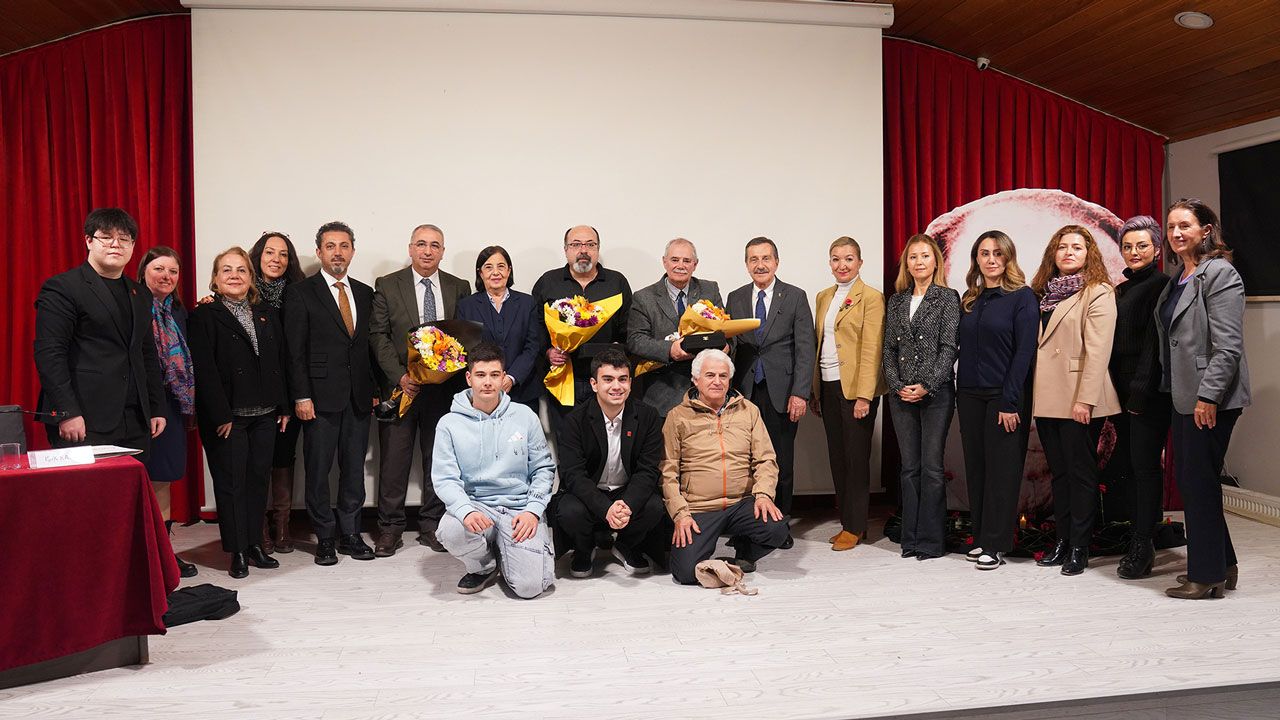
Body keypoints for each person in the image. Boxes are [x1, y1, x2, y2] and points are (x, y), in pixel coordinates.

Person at [1158, 199, 1251, 600]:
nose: (1176, 233)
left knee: (1197, 483)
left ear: (1206, 230)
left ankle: (1206, 574)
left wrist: (1208, 396)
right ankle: (1222, 564)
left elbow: (1228, 346)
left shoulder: (1220, 273)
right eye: (1171, 226)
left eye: (1185, 225)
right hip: (1183, 394)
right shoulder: (1181, 275)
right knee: (1196, 482)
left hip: (1210, 397)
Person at [369, 224, 472, 557]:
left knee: (439, 461)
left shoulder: (459, 287)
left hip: (445, 391)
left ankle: (432, 525)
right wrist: (400, 376)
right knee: (394, 461)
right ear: (410, 248)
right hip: (403, 388)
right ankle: (390, 529)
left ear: (443, 251)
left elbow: (465, 337)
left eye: (435, 245)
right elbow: (379, 336)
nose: (428, 251)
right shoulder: (388, 284)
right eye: (422, 244)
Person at [188, 247, 290, 578]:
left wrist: (283, 405)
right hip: (228, 418)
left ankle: (255, 544)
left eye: (241, 270)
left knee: (258, 481)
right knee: (231, 484)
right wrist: (220, 415)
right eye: (227, 270)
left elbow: (278, 362)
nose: (235, 275)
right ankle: (237, 551)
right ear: (215, 279)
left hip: (265, 413)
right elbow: (204, 370)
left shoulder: (265, 312)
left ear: (251, 277)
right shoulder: (204, 315)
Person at [283, 221, 379, 566]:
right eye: (330, 246)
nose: (338, 253)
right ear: (319, 251)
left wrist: (373, 390)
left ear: (352, 251)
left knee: (353, 468)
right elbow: (294, 351)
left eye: (344, 246)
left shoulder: (365, 293)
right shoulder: (300, 293)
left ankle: (350, 533)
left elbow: (368, 348)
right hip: (318, 398)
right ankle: (324, 537)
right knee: (318, 469)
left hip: (358, 397)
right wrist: (301, 396)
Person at [34, 208, 166, 454]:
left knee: (134, 480)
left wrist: (156, 407)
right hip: (83, 418)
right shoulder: (63, 288)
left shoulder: (141, 294)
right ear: (88, 241)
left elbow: (146, 353)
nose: (116, 244)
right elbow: (50, 354)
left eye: (124, 239)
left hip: (136, 419)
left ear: (132, 245)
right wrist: (67, 412)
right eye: (106, 237)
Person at [432, 342, 556, 598]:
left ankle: (508, 549)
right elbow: (445, 479)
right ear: (469, 378)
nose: (487, 382)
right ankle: (484, 565)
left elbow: (544, 469)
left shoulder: (525, 416)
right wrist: (465, 510)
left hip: (518, 509)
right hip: (477, 506)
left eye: (494, 375)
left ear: (503, 378)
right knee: (450, 530)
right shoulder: (448, 424)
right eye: (480, 375)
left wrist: (533, 511)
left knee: (530, 588)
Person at [1030, 225, 1120, 576]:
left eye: (1077, 247)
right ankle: (1063, 540)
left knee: (1081, 474)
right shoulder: (1043, 294)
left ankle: (1080, 546)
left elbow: (1098, 351)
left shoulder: (1098, 291)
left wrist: (1086, 400)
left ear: (1089, 253)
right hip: (1048, 397)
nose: (1069, 252)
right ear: (1053, 253)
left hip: (1079, 398)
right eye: (1062, 246)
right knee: (1060, 474)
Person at [662, 349, 788, 585]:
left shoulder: (749, 411)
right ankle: (713, 561)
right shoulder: (677, 417)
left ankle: (744, 553)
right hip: (700, 507)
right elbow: (668, 472)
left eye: (723, 376)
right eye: (710, 375)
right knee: (686, 573)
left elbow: (765, 459)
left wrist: (763, 495)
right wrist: (680, 513)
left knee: (777, 530)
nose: (717, 381)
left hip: (741, 502)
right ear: (695, 379)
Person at [955, 230, 1038, 571]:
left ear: (1008, 258)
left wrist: (1010, 401)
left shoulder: (1022, 297)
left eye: (998, 253)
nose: (991, 259)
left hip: (1003, 396)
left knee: (1002, 472)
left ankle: (997, 543)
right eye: (984, 253)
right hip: (969, 394)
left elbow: (1024, 353)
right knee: (976, 468)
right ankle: (981, 537)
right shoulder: (969, 299)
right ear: (976, 259)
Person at [550, 347, 666, 578]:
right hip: (590, 492)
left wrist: (627, 504)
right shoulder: (575, 420)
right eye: (608, 379)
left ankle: (626, 545)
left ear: (630, 383)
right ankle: (584, 550)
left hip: (626, 491)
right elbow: (573, 474)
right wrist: (606, 508)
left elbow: (647, 470)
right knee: (569, 510)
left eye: (623, 379)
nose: (616, 386)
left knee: (654, 506)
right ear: (594, 384)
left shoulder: (648, 416)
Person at [881, 234, 960, 561]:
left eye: (925, 256)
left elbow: (949, 347)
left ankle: (931, 541)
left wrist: (927, 384)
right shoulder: (897, 301)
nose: (919, 262)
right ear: (907, 263)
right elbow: (888, 349)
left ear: (935, 261)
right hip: (901, 395)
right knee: (909, 468)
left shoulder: (947, 297)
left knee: (931, 468)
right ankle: (910, 538)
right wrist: (897, 384)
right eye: (913, 257)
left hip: (936, 394)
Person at [726, 236, 814, 528]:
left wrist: (800, 393)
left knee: (781, 462)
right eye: (754, 259)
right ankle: (750, 524)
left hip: (783, 393)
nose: (760, 265)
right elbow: (732, 345)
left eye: (766, 258)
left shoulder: (795, 296)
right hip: (745, 392)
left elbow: (805, 348)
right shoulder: (735, 297)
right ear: (746, 264)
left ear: (776, 262)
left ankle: (780, 524)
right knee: (745, 461)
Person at [812, 236, 886, 553]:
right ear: (830, 263)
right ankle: (848, 523)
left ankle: (856, 526)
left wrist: (865, 396)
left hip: (856, 389)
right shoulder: (823, 297)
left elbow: (872, 349)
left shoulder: (872, 297)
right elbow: (819, 345)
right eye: (836, 259)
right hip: (828, 385)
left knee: (856, 460)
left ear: (859, 262)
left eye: (849, 258)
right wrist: (815, 391)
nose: (842, 265)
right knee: (838, 457)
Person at [1108, 216, 1172, 580]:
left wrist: (1139, 393)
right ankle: (1137, 535)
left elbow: (1154, 344)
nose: (1134, 252)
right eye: (1128, 246)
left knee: (1145, 468)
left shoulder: (1161, 285)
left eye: (1142, 246)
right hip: (1122, 390)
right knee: (1131, 467)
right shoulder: (1124, 288)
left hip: (1145, 392)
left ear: (1157, 250)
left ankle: (1143, 545)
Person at [529, 225, 633, 438]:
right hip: (564, 379)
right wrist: (548, 352)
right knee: (567, 441)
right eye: (576, 244)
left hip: (608, 381)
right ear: (566, 249)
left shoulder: (616, 282)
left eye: (590, 244)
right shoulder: (548, 282)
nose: (583, 250)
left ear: (598, 249)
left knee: (606, 441)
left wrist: (619, 348)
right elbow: (535, 327)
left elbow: (629, 327)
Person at [136, 246, 199, 578]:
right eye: (159, 269)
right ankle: (139, 554)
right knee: (138, 477)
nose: (166, 276)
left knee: (164, 476)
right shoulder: (131, 305)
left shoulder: (178, 311)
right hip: (138, 405)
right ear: (144, 271)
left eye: (173, 271)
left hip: (172, 404)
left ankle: (164, 554)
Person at [249, 231, 307, 554]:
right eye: (269, 252)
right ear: (258, 256)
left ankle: (282, 523)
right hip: (253, 391)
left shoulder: (298, 294)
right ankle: (257, 526)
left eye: (283, 254)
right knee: (256, 459)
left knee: (284, 455)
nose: (276, 259)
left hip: (289, 388)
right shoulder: (242, 291)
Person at [627, 238, 721, 417]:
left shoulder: (710, 290)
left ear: (695, 264)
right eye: (675, 260)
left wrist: (726, 347)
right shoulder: (644, 297)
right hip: (662, 394)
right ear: (665, 262)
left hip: (705, 394)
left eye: (687, 261)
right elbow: (635, 340)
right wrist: (670, 350)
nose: (680, 265)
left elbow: (723, 328)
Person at [455, 246, 541, 412]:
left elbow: (532, 346)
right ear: (480, 273)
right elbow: (465, 349)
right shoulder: (466, 306)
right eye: (488, 267)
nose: (496, 272)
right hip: (482, 393)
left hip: (522, 390)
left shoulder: (527, 303)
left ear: (509, 271)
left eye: (501, 266)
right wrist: (489, 379)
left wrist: (512, 377)